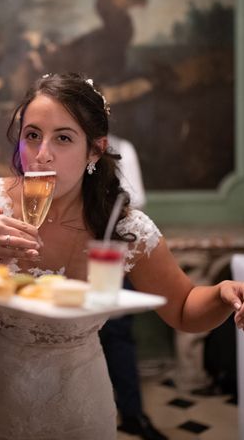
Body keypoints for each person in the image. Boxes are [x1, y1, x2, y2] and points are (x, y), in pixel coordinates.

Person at [0, 73, 244, 439]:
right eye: (32, 136)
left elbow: (183, 309)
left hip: (79, 412)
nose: (42, 155)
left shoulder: (123, 227)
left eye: (63, 138)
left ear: (94, 149)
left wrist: (223, 292)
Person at [102, 134, 167, 439]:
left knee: (117, 333)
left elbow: (135, 197)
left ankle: (131, 413)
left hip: (109, 251)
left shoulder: (122, 148)